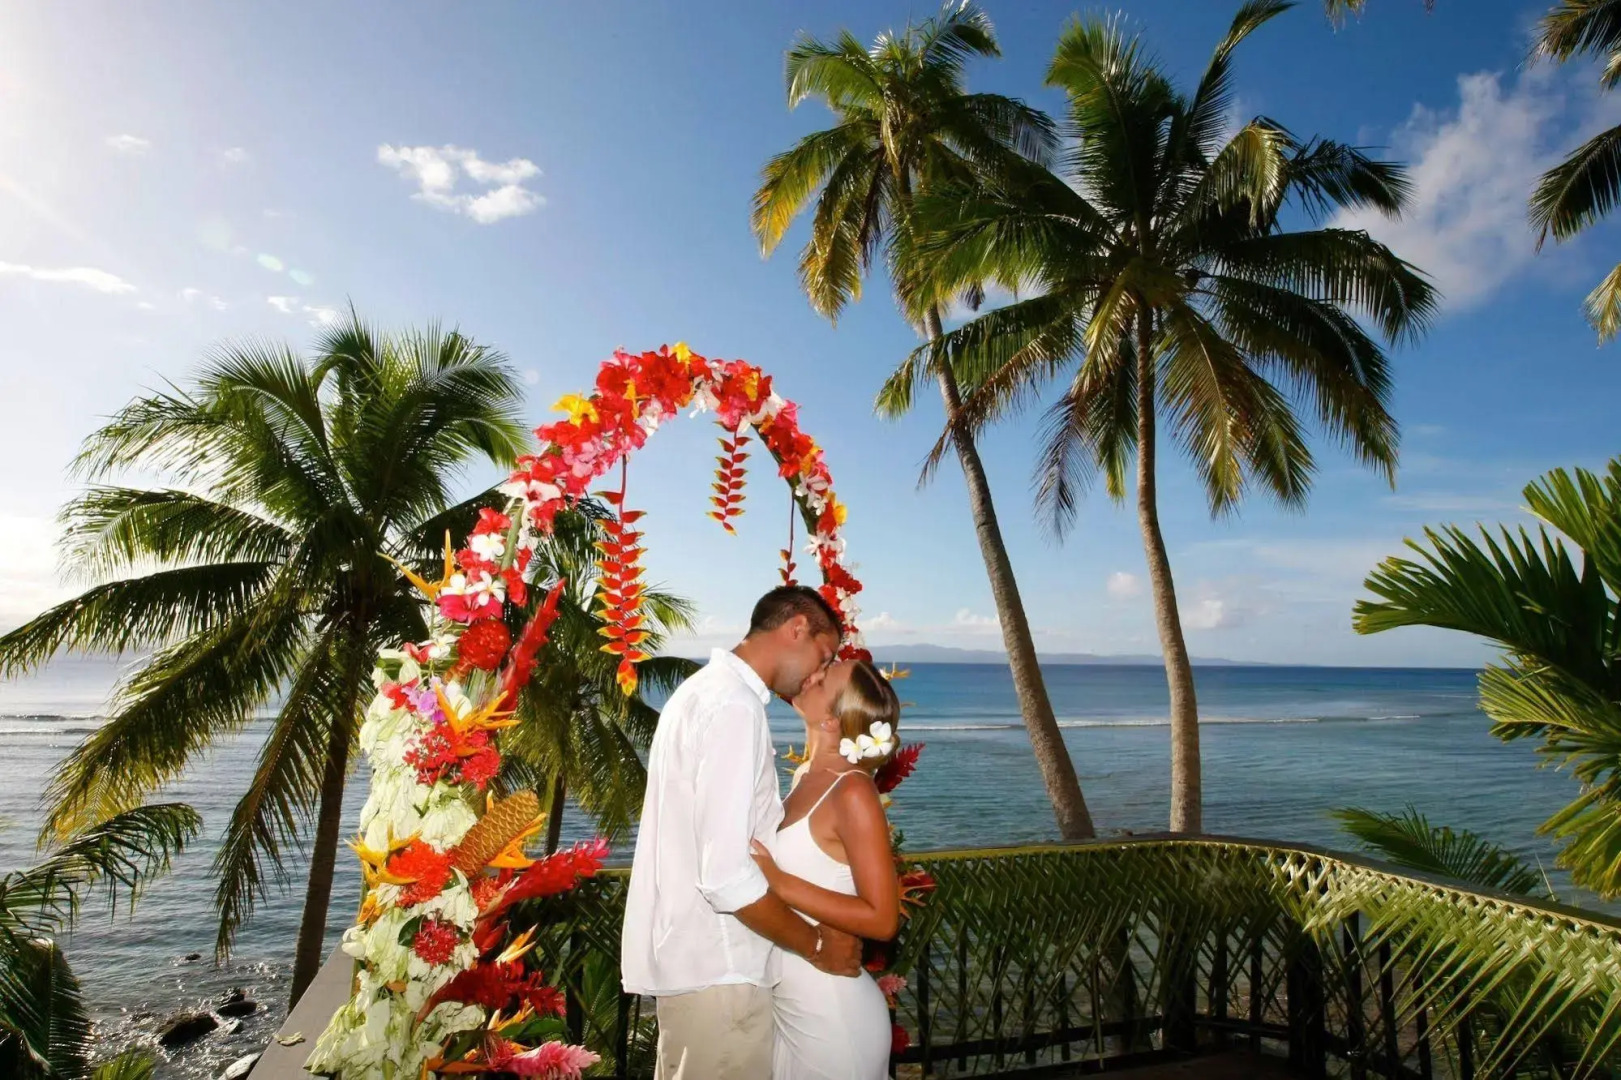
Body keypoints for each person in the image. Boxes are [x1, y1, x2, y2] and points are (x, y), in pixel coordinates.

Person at [621, 585, 864, 1080]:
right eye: (823, 656)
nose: (818, 674)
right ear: (796, 628)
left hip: (699, 971)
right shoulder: (734, 707)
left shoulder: (700, 693)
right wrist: (817, 945)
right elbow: (726, 877)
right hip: (723, 973)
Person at [751, 658, 902, 1080]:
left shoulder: (853, 791)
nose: (811, 674)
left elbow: (883, 919)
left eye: (823, 678)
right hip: (792, 1008)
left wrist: (779, 882)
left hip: (834, 1017)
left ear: (832, 720)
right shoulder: (804, 778)